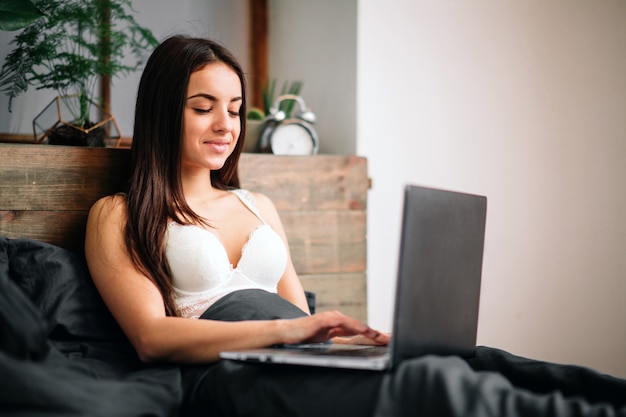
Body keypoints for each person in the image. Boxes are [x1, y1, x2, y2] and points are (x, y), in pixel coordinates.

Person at [85, 35, 626, 417]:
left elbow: (298, 316)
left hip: (295, 351)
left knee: (477, 361)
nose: (226, 125)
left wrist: (347, 340)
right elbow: (151, 339)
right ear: (162, 111)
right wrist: (290, 331)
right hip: (227, 373)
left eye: (235, 108)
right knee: (430, 387)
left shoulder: (257, 205)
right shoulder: (120, 213)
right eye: (204, 108)